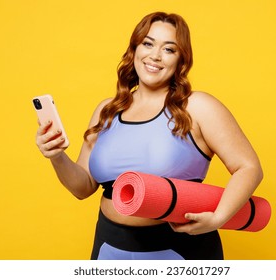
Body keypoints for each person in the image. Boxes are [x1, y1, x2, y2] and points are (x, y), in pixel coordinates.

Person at [35, 12, 263, 260]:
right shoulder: (107, 110)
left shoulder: (198, 107)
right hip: (109, 248)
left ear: (181, 60)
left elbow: (248, 167)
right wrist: (56, 155)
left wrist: (218, 218)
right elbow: (83, 188)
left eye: (169, 49)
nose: (155, 55)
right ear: (134, 49)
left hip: (180, 250)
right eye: (148, 43)